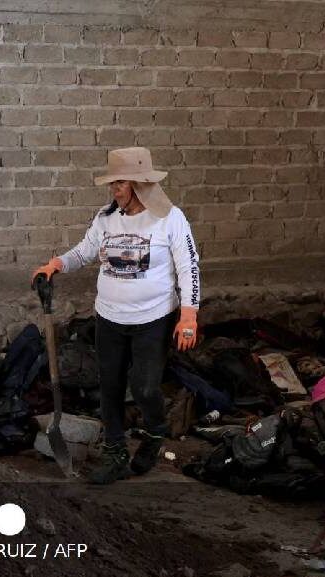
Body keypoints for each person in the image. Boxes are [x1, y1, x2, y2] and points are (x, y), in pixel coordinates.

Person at [32, 147, 201, 485]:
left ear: (140, 184)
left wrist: (189, 315)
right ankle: (115, 453)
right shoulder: (106, 217)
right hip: (109, 317)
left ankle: (155, 430)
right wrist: (56, 264)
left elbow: (189, 266)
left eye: (120, 183)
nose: (114, 189)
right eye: (113, 183)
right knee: (109, 386)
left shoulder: (170, 218)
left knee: (145, 386)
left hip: (153, 319)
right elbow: (85, 251)